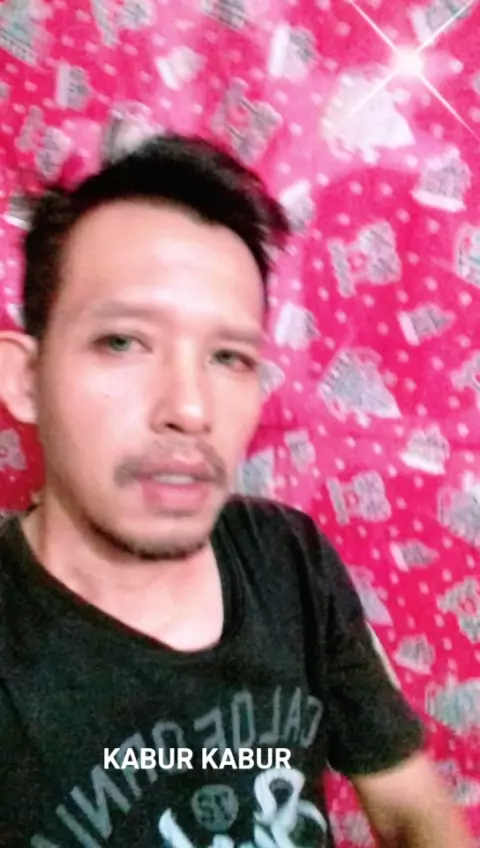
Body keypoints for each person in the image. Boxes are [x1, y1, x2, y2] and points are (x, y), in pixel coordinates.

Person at [0, 134, 472, 848]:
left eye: (229, 356)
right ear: (25, 380)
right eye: (123, 341)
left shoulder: (290, 559)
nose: (191, 408)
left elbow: (411, 809)